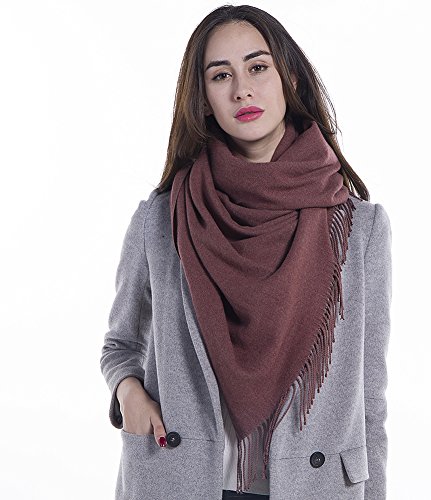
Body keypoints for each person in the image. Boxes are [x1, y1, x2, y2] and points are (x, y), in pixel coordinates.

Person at [100, 4, 392, 500]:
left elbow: (369, 399)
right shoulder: (162, 219)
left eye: (258, 67)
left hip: (313, 485)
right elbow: (120, 345)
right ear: (203, 100)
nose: (242, 90)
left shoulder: (360, 228)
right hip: (178, 478)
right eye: (221, 75)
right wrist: (127, 391)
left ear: (290, 79)